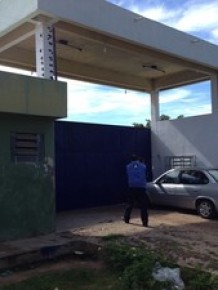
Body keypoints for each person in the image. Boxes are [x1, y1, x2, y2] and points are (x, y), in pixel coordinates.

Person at [123, 154, 149, 227]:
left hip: (132, 187)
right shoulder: (143, 166)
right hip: (141, 187)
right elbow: (146, 174)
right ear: (138, 159)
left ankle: (126, 218)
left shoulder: (128, 167)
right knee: (143, 206)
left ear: (131, 159)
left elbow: (127, 174)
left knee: (130, 204)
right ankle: (145, 222)